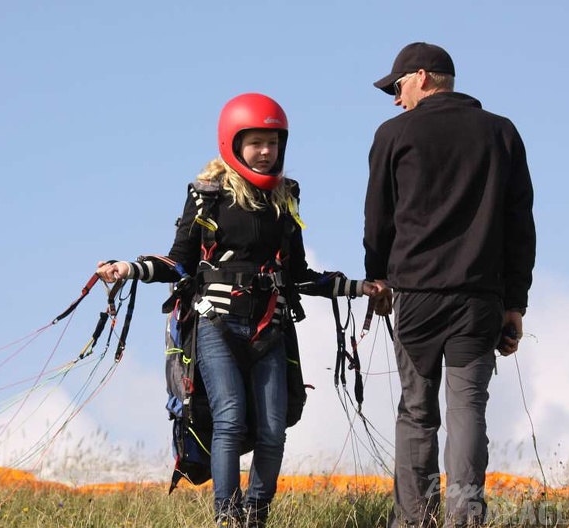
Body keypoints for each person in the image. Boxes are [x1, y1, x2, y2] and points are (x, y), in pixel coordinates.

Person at [97, 93, 378, 527]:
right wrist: (128, 268)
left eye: (273, 143)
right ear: (234, 143)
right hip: (216, 325)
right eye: (256, 143)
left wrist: (358, 287)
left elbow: (300, 273)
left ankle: (256, 517)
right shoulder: (206, 197)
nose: (266, 153)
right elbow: (179, 263)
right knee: (228, 418)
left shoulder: (286, 199)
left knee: (272, 429)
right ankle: (226, 518)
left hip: (271, 328)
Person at [363, 43, 536, 527]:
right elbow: (519, 224)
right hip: (480, 299)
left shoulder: (394, 134)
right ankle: (465, 518)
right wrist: (515, 303)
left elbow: (378, 219)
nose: (396, 99)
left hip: (416, 297)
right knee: (467, 411)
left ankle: (416, 520)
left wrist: (378, 276)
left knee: (417, 411)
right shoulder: (501, 133)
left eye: (397, 87)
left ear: (422, 76)